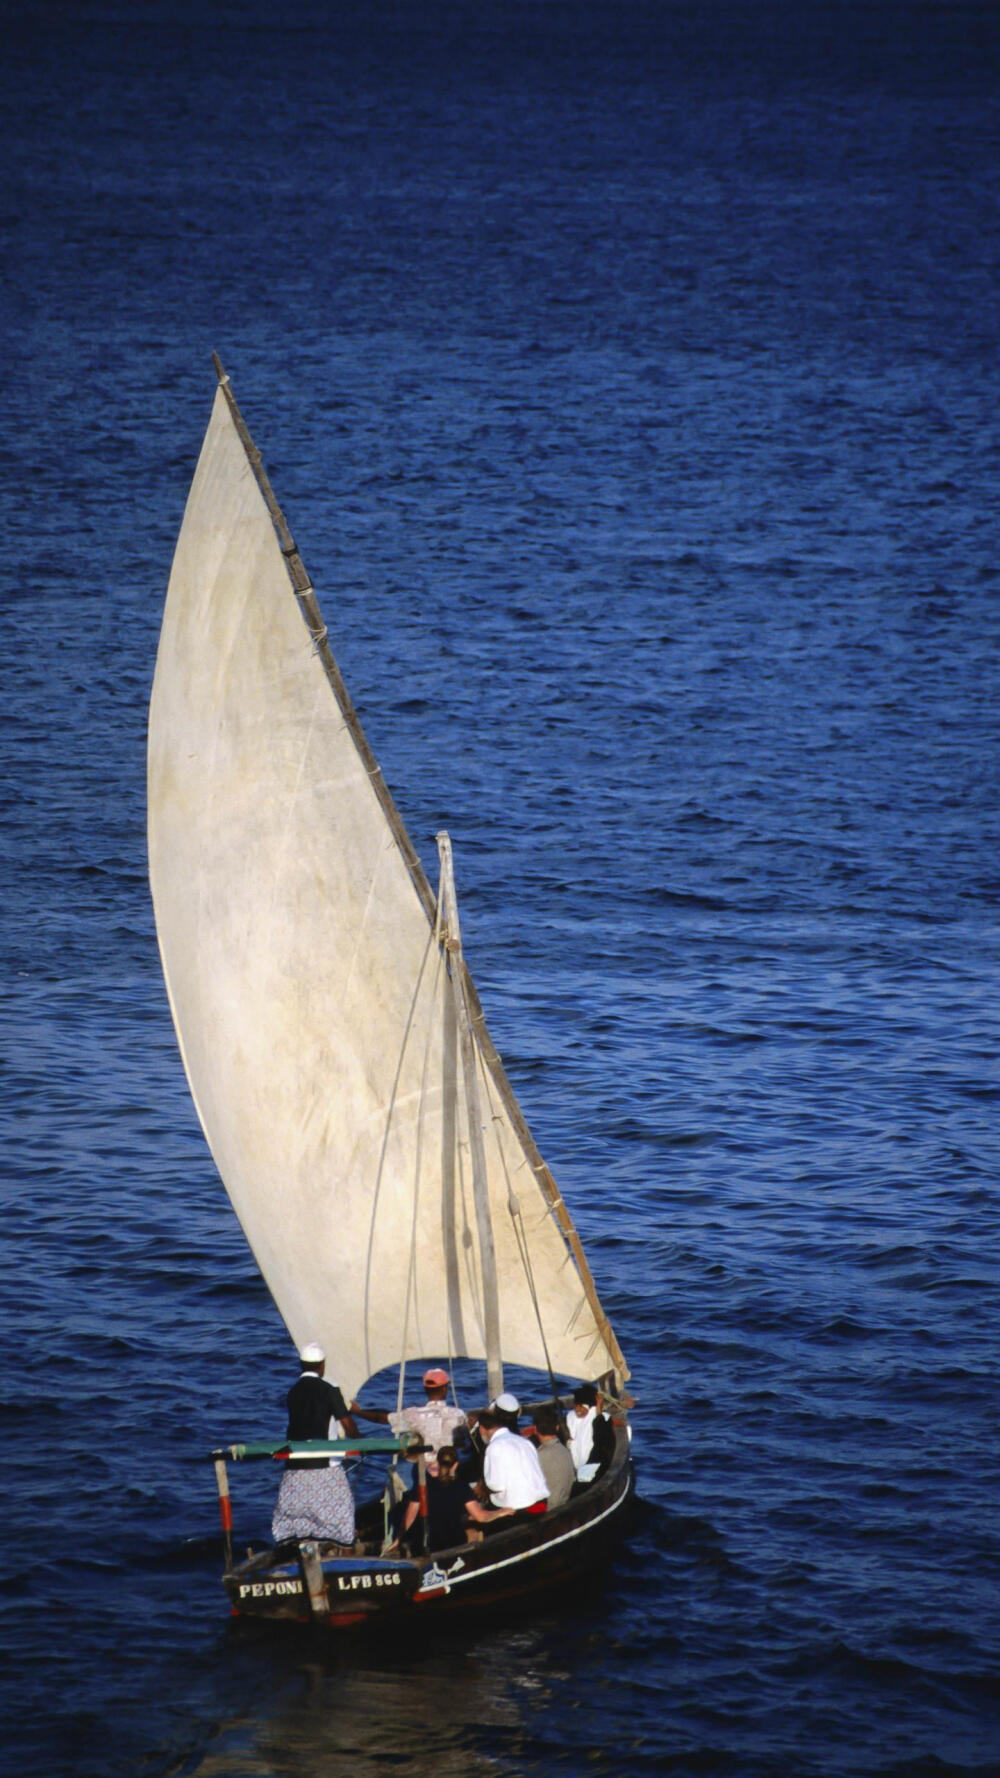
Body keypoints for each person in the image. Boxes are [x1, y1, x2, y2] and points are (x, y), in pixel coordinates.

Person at [271, 1343, 360, 1546]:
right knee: (341, 1518)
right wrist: (359, 1441)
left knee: (297, 1520)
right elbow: (345, 1421)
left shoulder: (293, 1391)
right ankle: (342, 1552)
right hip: (324, 1466)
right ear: (322, 1365)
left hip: (294, 1468)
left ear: (302, 1365)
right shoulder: (329, 1390)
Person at [350, 1367, 467, 1466]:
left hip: (424, 1467)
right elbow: (463, 1442)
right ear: (444, 1389)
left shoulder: (413, 1415)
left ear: (426, 1389)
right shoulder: (458, 1414)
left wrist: (358, 1411)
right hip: (449, 1464)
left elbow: (380, 1418)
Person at [477, 1407, 549, 1523]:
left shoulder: (494, 1447)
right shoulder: (525, 1442)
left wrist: (482, 1488)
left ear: (482, 1429)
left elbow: (496, 1485)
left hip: (517, 1509)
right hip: (540, 1501)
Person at [566, 1383, 615, 1484]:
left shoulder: (602, 1418)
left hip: (591, 1467)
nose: (577, 1409)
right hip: (572, 1468)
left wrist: (598, 1411)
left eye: (581, 1406)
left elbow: (603, 1439)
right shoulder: (571, 1417)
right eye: (576, 1406)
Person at [533, 1404, 575, 1509]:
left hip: (547, 1508)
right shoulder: (565, 1451)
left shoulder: (538, 1456)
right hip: (564, 1502)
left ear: (535, 1429)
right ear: (557, 1427)